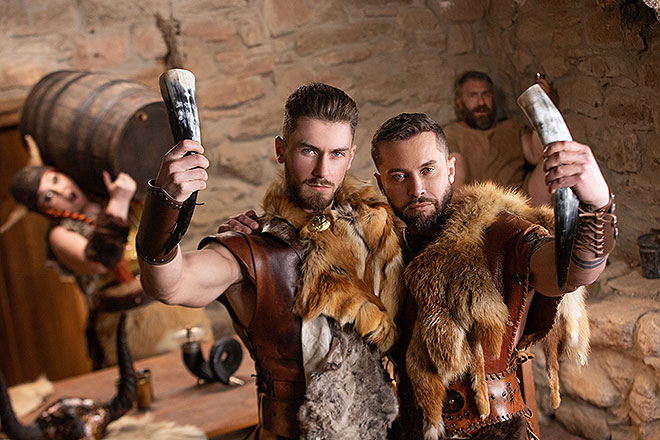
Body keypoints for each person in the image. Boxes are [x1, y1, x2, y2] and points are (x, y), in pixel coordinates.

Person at [136, 83, 403, 440]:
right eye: (309, 151)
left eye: (337, 153)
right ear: (281, 150)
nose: (322, 170)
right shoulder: (254, 249)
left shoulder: (378, 232)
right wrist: (166, 201)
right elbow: (168, 285)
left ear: (350, 156)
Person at [370, 113, 616, 439]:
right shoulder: (383, 253)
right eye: (399, 176)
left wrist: (597, 204)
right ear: (381, 184)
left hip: (495, 430)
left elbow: (574, 270)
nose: (417, 189)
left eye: (428, 170)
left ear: (450, 169)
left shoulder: (500, 232)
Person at [6, 144, 211, 369]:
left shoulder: (113, 195)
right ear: (46, 210)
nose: (61, 192)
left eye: (55, 180)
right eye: (48, 197)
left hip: (176, 305)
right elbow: (101, 260)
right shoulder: (61, 234)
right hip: (127, 326)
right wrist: (119, 201)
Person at [445, 71, 552, 206]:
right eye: (473, 95)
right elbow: (457, 187)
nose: (481, 102)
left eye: (486, 94)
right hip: (480, 206)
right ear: (460, 102)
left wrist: (541, 105)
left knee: (551, 159)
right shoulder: (451, 134)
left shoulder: (513, 127)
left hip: (522, 202)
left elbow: (536, 156)